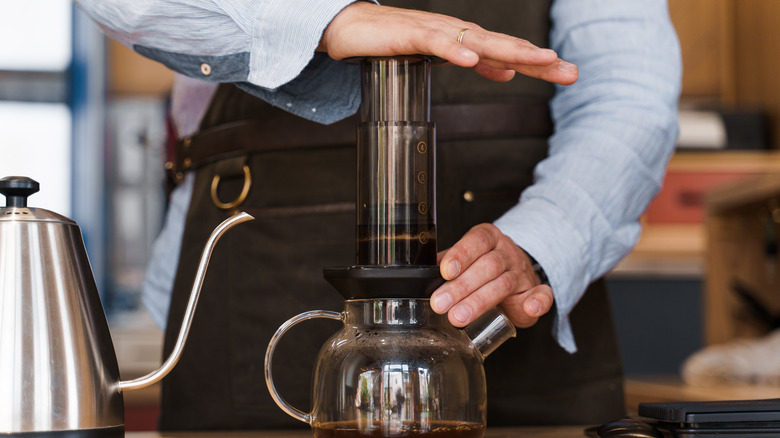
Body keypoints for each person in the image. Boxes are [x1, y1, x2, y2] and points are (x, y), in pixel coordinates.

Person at [75, 0, 682, 430]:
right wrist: (326, 20)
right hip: (252, 275)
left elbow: (626, 92)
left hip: (518, 306)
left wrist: (540, 241)